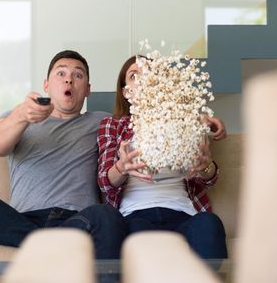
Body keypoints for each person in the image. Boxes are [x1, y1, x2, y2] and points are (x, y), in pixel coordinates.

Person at [0, 50, 127, 259]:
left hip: (77, 221)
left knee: (106, 216)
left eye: (78, 75)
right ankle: (46, 243)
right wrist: (22, 116)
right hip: (22, 221)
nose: (69, 79)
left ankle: (40, 245)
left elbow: (134, 130)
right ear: (46, 85)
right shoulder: (17, 117)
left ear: (88, 90)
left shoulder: (102, 123)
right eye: (61, 74)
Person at [97, 55, 228, 259]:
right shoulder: (113, 126)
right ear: (126, 92)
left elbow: (210, 179)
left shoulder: (185, 121)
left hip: (184, 213)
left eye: (148, 73)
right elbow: (105, 183)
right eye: (133, 76)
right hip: (135, 214)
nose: (143, 79)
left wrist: (205, 165)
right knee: (141, 240)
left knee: (210, 224)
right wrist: (122, 167)